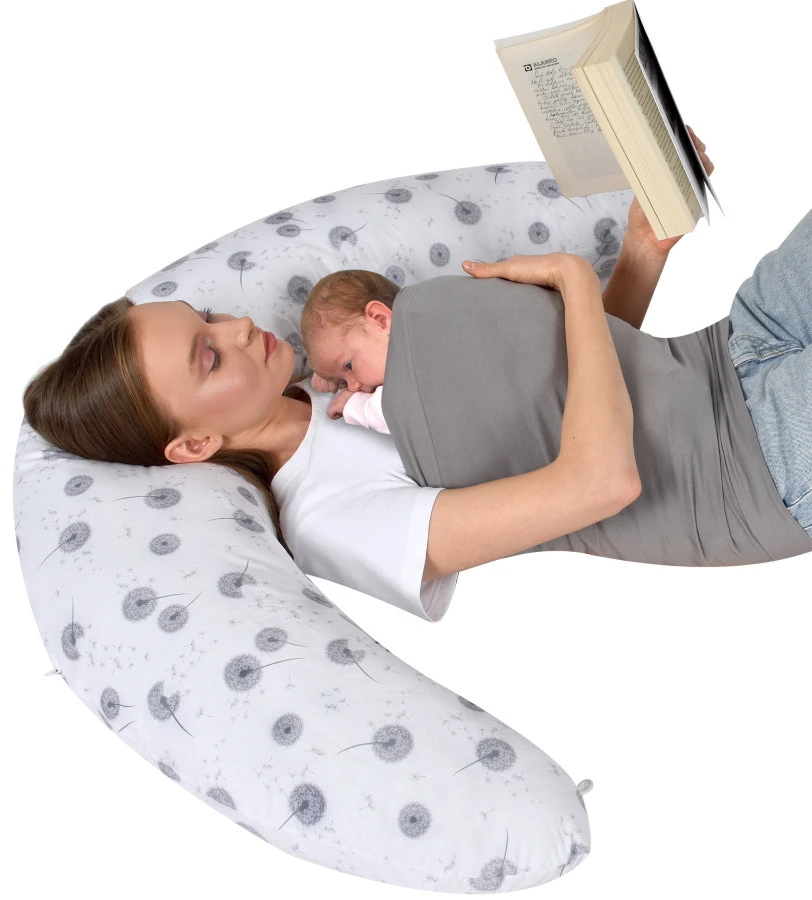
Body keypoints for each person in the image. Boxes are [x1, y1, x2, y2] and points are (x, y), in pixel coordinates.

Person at [21, 134, 812, 624]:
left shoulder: (331, 382)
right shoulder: (333, 516)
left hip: (731, 347)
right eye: (208, 355)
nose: (234, 329)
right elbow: (600, 480)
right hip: (752, 469)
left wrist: (640, 254)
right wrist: (573, 282)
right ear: (194, 444)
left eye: (207, 317)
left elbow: (565, 392)